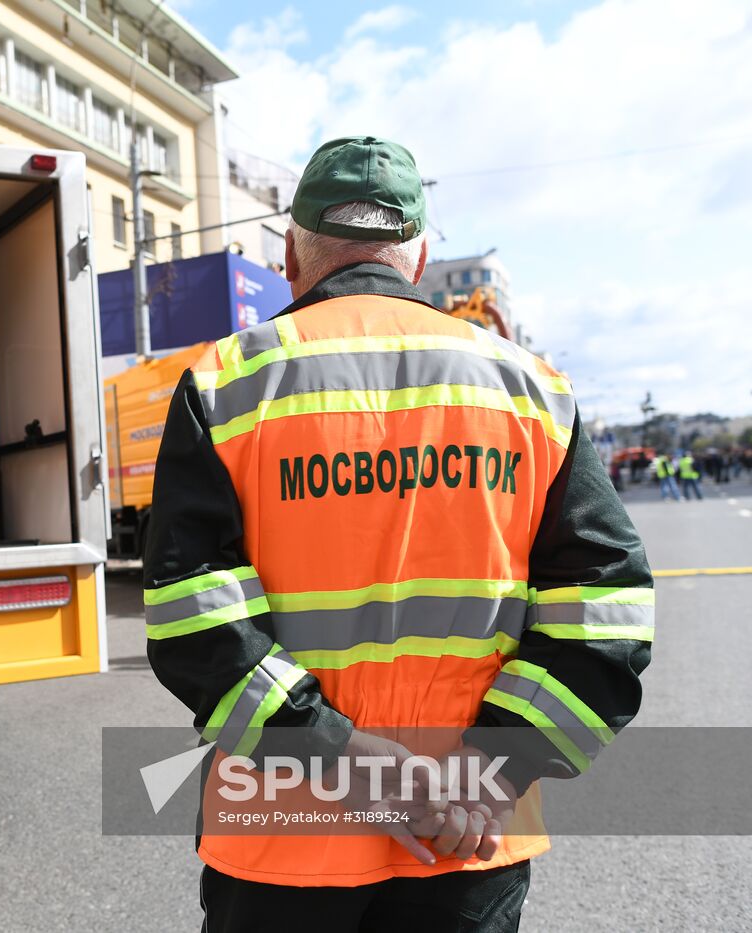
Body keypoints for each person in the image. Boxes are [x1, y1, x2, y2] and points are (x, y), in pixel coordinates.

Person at [143, 136, 653, 932]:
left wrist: (338, 753)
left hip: (282, 831)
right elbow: (609, 611)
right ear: (415, 261)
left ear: (291, 254)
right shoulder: (532, 391)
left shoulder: (225, 382)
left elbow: (193, 618)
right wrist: (491, 767)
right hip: (464, 834)